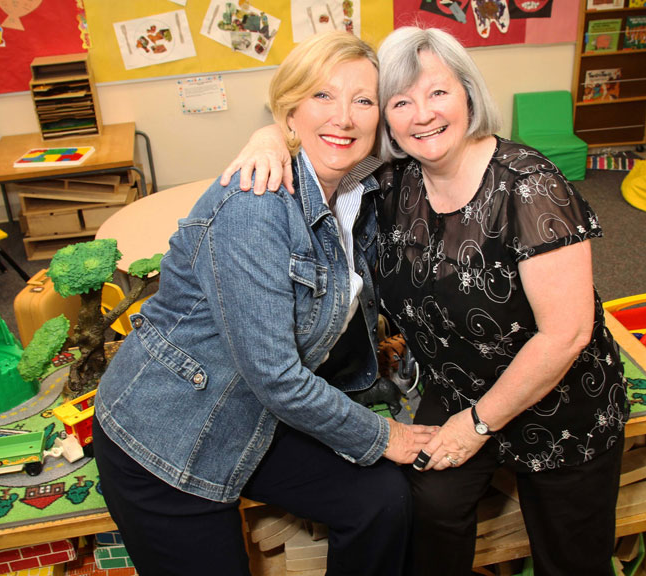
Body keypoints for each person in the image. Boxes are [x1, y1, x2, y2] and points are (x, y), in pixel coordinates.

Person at [224, 26, 628, 576]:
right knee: (427, 513)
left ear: (467, 93)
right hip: (456, 386)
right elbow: (324, 137)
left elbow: (567, 334)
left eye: (438, 93)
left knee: (572, 557)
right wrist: (269, 135)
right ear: (386, 119)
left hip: (559, 403)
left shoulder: (530, 185)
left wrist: (478, 425)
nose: (422, 115)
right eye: (400, 101)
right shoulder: (389, 180)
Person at [93, 31, 435, 576]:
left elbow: (438, 141)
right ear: (290, 111)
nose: (344, 118)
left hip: (258, 415)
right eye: (321, 96)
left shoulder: (358, 187)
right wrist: (383, 435)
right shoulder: (255, 207)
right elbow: (278, 377)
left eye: (363, 100)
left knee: (380, 502)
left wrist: (271, 133)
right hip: (170, 438)